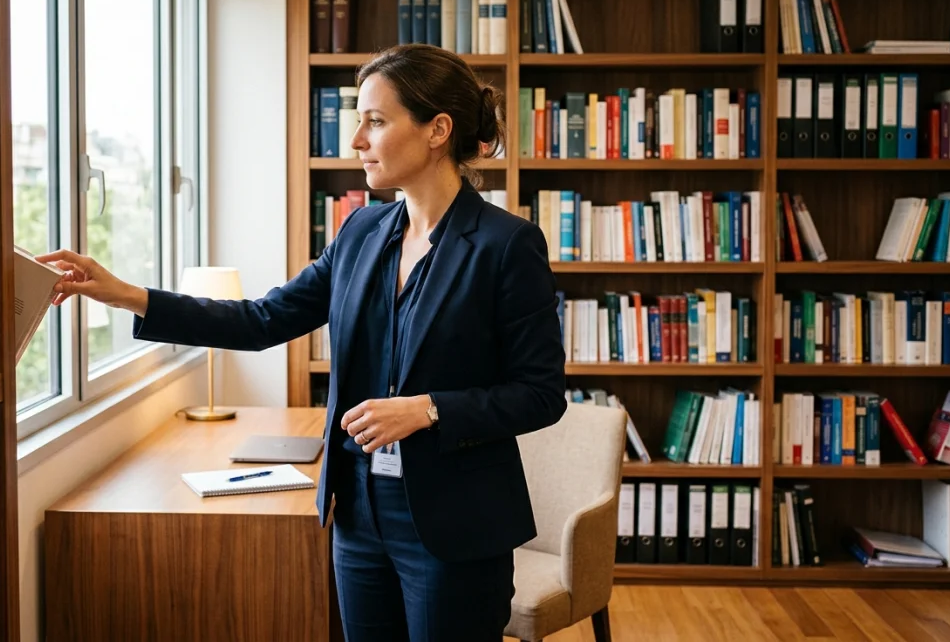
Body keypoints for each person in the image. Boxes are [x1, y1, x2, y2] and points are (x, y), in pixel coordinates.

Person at [36, 43, 568, 642]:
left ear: (437, 130)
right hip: (358, 513)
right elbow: (263, 320)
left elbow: (540, 394)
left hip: (455, 525)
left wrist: (427, 409)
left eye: (375, 121)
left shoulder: (506, 244)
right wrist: (129, 296)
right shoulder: (361, 231)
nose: (357, 141)